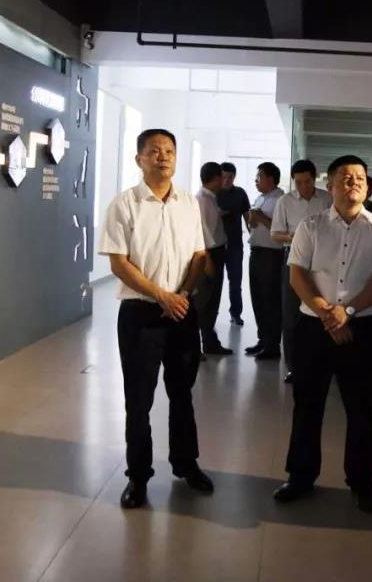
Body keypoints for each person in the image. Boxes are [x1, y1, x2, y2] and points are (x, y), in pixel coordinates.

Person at [273, 155, 372, 513]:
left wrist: (348, 312)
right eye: (345, 177)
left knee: (361, 409)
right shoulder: (310, 226)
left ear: (367, 186)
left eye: (360, 177)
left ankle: (362, 483)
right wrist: (327, 313)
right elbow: (297, 275)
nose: (353, 182)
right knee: (307, 406)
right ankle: (300, 477)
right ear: (330, 186)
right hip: (313, 327)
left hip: (361, 328)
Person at [99, 128, 214, 508]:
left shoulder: (188, 203)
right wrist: (160, 295)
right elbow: (119, 263)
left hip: (182, 310)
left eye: (169, 151)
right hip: (140, 314)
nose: (162, 157)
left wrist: (181, 295)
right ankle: (138, 476)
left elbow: (199, 256)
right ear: (139, 159)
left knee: (182, 393)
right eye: (154, 151)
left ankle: (186, 463)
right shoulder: (124, 204)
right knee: (139, 399)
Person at [271, 159, 332, 382]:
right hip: (294, 259)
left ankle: (322, 363)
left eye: (307, 181)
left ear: (314, 179)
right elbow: (275, 234)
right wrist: (295, 237)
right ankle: (293, 366)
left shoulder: (327, 199)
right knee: (291, 314)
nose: (303, 186)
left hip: (324, 260)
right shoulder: (285, 201)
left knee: (322, 309)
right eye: (298, 182)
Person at [246, 162, 285, 360]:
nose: (256, 180)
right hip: (256, 252)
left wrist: (260, 217)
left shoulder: (281, 200)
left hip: (272, 255)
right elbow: (254, 226)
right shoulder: (260, 198)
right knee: (258, 299)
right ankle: (262, 340)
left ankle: (272, 345)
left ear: (271, 179)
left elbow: (280, 230)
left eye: (260, 176)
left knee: (270, 300)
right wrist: (251, 220)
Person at [195, 162, 232, 356]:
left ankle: (210, 342)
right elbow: (201, 233)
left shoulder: (210, 198)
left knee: (212, 302)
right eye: (222, 177)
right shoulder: (202, 200)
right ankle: (195, 346)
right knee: (204, 301)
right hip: (209, 254)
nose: (224, 181)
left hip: (216, 252)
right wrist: (208, 261)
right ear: (216, 178)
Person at [217, 163, 250, 327]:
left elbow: (247, 217)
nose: (227, 180)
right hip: (215, 245)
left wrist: (253, 236)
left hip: (235, 245)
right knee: (214, 283)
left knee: (235, 282)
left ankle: (236, 314)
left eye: (230, 177)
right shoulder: (213, 193)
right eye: (224, 177)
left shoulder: (240, 193)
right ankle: (210, 317)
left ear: (234, 177)